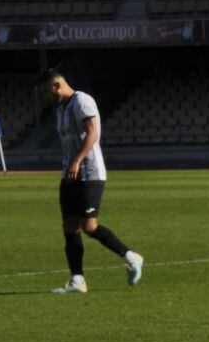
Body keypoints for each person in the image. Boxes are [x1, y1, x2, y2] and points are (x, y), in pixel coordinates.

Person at [37, 69, 143, 294]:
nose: (44, 96)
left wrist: (77, 160)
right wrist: (69, 167)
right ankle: (77, 280)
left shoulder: (82, 101)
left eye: (45, 91)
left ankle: (132, 257)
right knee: (70, 226)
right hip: (70, 174)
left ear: (56, 85)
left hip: (90, 172)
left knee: (89, 226)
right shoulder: (60, 109)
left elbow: (93, 132)